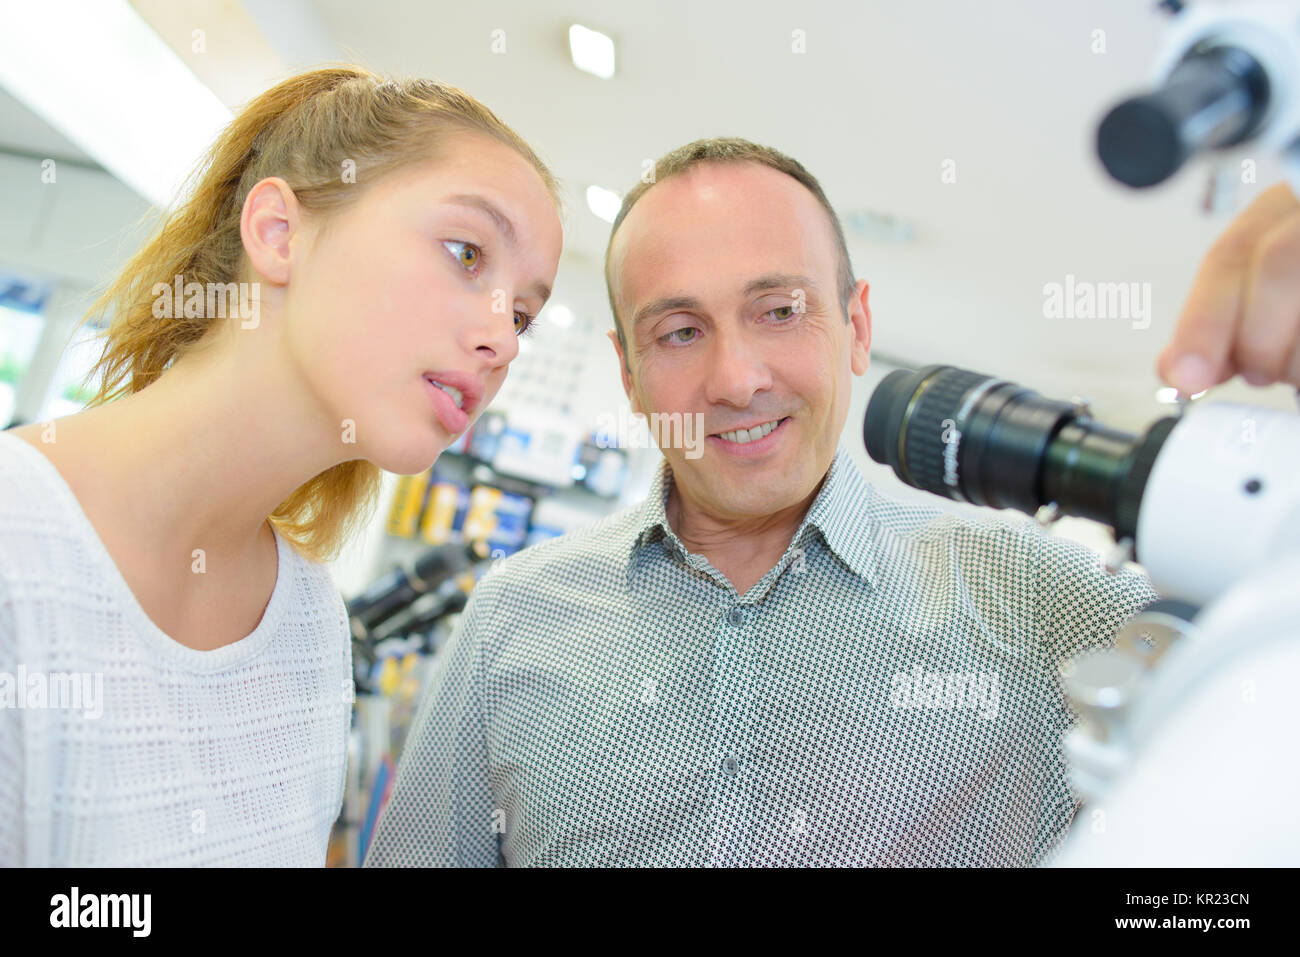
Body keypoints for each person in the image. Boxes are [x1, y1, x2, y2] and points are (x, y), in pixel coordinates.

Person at [364, 137, 1165, 868]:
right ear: (630, 375)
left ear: (856, 326)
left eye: (779, 311)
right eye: (680, 331)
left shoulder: (1045, 602)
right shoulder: (512, 618)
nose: (737, 379)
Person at [0, 66, 562, 865]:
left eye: (523, 314)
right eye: (466, 251)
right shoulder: (18, 543)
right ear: (278, 232)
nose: (503, 338)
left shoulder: (309, 625)